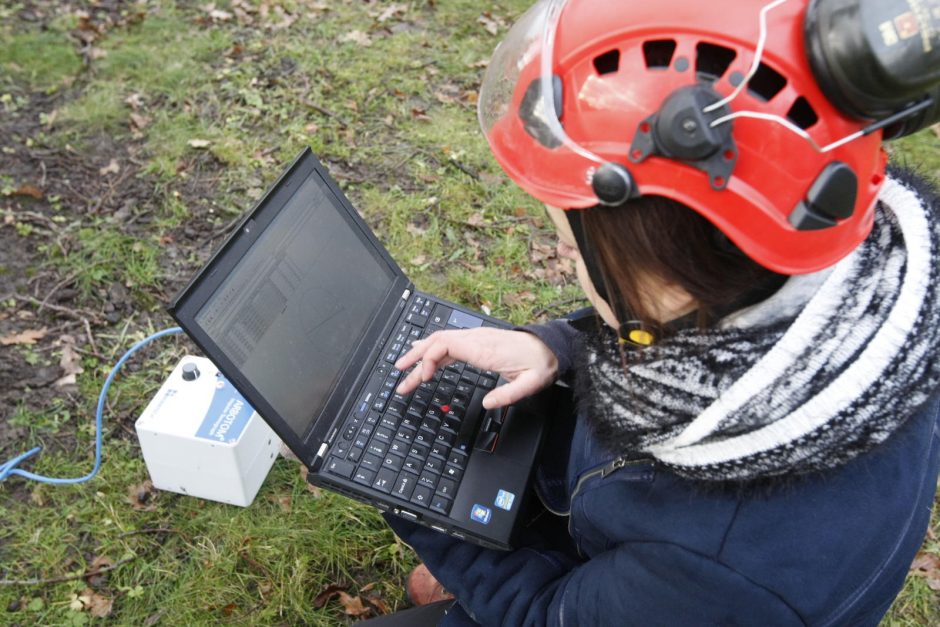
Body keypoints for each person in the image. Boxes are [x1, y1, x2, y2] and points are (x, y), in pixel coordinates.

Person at [371, 0, 940, 624]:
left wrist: (405, 493)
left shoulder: (730, 571)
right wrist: (555, 350)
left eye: (568, 245)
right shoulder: (825, 276)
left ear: (677, 274)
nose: (568, 264)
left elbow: (543, 615)